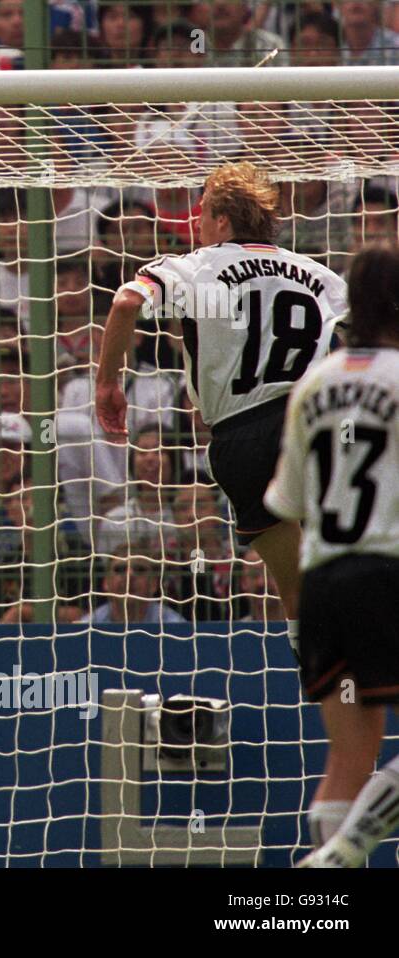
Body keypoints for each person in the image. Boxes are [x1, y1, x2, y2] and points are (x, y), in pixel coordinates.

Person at [96, 161, 348, 659]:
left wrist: (107, 382)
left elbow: (126, 303)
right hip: (315, 426)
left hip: (244, 437)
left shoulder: (196, 266)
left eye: (203, 212)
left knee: (295, 587)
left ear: (224, 222)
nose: (196, 222)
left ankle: (331, 691)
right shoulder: (317, 275)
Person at [267, 243, 399, 868]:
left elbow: (287, 501)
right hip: (385, 576)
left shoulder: (314, 384)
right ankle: (347, 850)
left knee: (348, 757)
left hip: (323, 588)